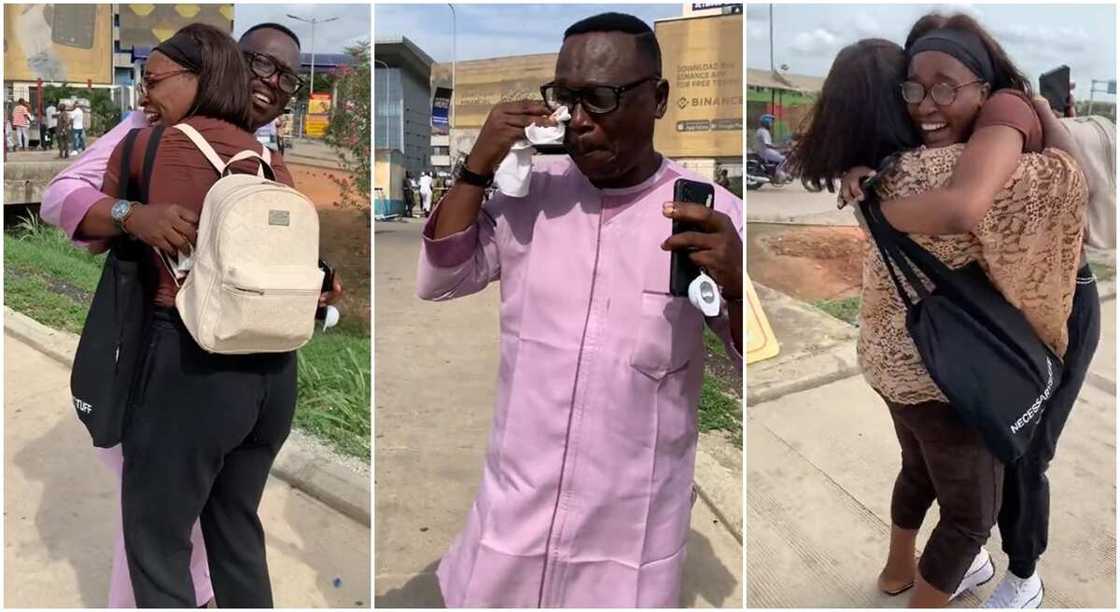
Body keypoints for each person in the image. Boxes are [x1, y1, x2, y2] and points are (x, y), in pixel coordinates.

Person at [417, 12, 743, 607]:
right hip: (520, 501)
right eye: (566, 99)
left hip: (629, 520)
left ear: (659, 98)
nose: (580, 121)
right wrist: (475, 168)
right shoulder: (531, 199)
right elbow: (441, 280)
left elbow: (752, 361)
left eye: (600, 98)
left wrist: (737, 284)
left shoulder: (710, 216)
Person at [787, 20, 1087, 609]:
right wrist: (1032, 113)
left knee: (916, 471)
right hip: (945, 374)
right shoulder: (941, 171)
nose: (923, 101)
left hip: (887, 359)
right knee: (969, 518)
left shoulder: (867, 173)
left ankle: (896, 572)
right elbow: (1068, 180)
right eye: (911, 86)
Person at [40, 22, 341, 608]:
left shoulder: (149, 143)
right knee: (236, 535)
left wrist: (128, 214)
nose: (144, 96)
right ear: (230, 68)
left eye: (152, 81)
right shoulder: (273, 164)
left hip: (191, 364)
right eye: (259, 66)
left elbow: (92, 237)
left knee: (156, 545)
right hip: (274, 378)